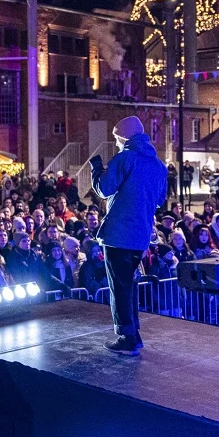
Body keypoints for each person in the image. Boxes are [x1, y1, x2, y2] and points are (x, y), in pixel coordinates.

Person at [89, 116, 168, 356]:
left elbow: (103, 189)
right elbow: (160, 199)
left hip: (118, 235)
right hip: (140, 236)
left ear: (124, 137)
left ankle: (126, 338)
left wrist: (96, 168)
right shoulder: (158, 165)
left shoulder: (125, 158)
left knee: (120, 286)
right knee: (129, 284)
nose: (115, 143)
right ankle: (134, 333)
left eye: (116, 138)